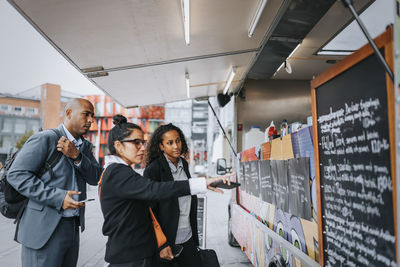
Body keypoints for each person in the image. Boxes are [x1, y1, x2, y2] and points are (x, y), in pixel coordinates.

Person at [100, 115, 232, 267]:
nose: (142, 147)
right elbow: (156, 190)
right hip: (129, 256)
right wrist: (202, 183)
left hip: (140, 252)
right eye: (136, 143)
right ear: (118, 145)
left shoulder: (120, 171)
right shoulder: (117, 173)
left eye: (143, 142)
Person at [7, 98, 103, 267]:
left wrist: (77, 157)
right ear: (68, 113)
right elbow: (16, 175)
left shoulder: (85, 147)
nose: (91, 120)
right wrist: (58, 197)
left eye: (92, 116)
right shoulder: (45, 139)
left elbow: (96, 178)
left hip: (72, 227)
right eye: (86, 114)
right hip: (42, 230)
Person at [144, 124, 203, 267]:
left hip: (188, 235)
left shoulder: (184, 163)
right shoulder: (153, 169)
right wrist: (160, 244)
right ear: (161, 146)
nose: (176, 146)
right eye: (169, 143)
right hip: (167, 239)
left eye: (178, 141)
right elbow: (149, 211)